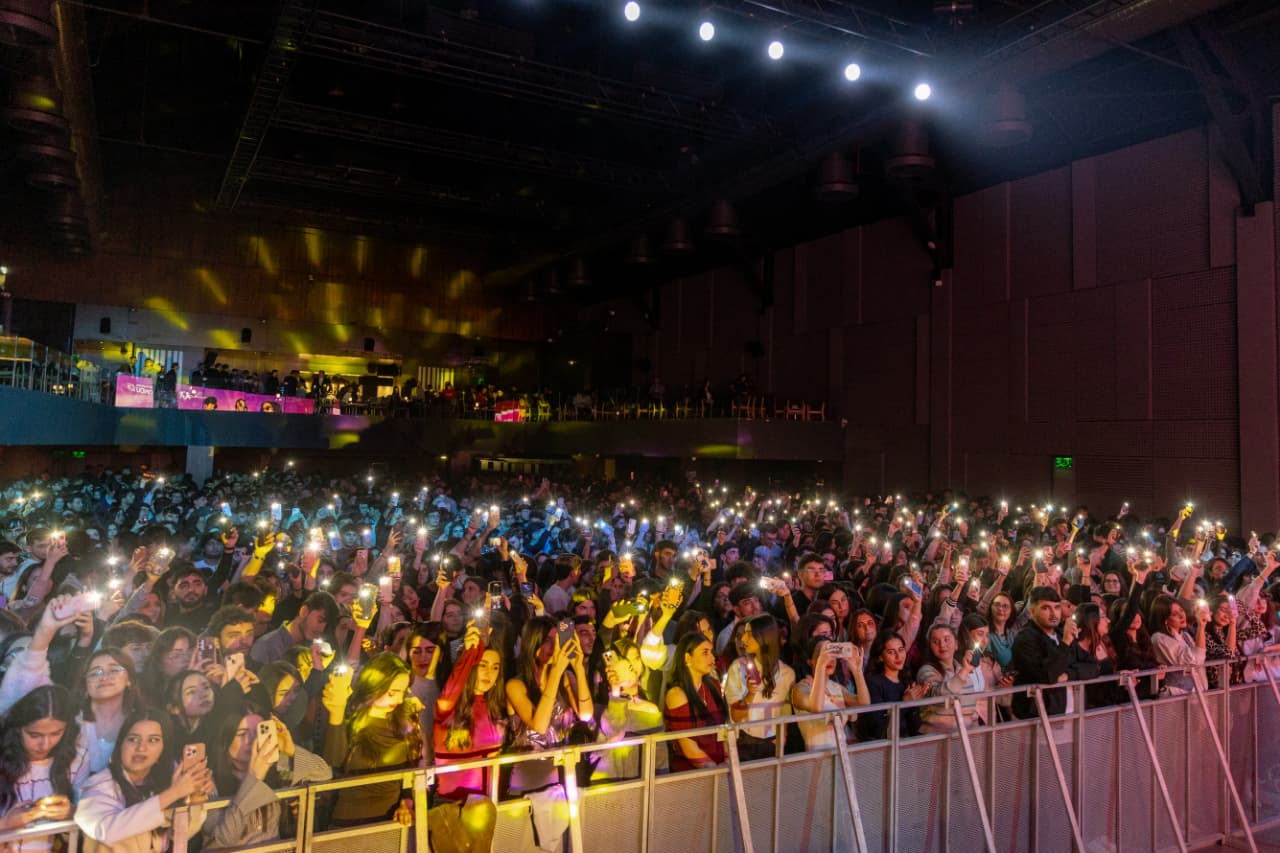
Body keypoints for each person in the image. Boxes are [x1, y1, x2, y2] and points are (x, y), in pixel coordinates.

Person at [74, 709, 213, 853]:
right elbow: (107, 831)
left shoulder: (160, 781)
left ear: (162, 750)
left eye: (153, 740)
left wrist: (195, 800)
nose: (141, 748)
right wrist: (173, 793)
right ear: (121, 744)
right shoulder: (98, 785)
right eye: (133, 739)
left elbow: (180, 835)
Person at [203, 702, 332, 850]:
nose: (252, 740)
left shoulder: (276, 768)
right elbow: (224, 838)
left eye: (258, 732)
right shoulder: (209, 782)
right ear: (226, 741)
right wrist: (253, 779)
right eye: (242, 734)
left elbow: (324, 773)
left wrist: (290, 750)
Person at [321, 653, 420, 827]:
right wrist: (336, 712)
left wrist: (407, 801)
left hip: (392, 821)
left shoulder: (405, 720)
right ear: (374, 685)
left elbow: (410, 770)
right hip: (349, 824)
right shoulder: (350, 718)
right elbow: (334, 761)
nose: (398, 699)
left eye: (403, 692)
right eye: (392, 693)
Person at [0, 685, 87, 844]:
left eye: (56, 733)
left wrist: (71, 813)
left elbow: (93, 820)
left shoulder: (76, 760)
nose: (45, 745)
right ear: (18, 728)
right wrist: (5, 824)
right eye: (34, 735)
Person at [723, 614, 795, 760]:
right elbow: (735, 716)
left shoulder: (787, 674)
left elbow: (785, 711)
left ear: (764, 637)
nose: (743, 640)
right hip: (745, 742)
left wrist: (782, 739)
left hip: (773, 742)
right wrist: (750, 694)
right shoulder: (738, 668)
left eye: (749, 635)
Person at [790, 637, 869, 749]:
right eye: (823, 654)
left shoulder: (836, 687)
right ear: (810, 661)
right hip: (817, 759)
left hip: (841, 755)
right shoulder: (801, 688)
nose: (829, 659)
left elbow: (864, 704)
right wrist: (821, 667)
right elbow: (816, 707)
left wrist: (857, 672)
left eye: (832, 654)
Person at [663, 633, 727, 771]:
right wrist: (716, 771)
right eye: (705, 653)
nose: (712, 657)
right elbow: (690, 749)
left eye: (711, 652)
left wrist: (727, 760)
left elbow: (724, 730)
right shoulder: (677, 694)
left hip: (720, 766)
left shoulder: (713, 685)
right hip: (693, 773)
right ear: (687, 658)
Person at [1150, 593, 1208, 694]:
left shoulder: (1185, 635)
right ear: (1165, 620)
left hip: (1197, 692)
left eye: (1181, 610)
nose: (1181, 616)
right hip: (1177, 695)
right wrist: (1201, 627)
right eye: (1174, 614)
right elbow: (1196, 658)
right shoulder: (1159, 638)